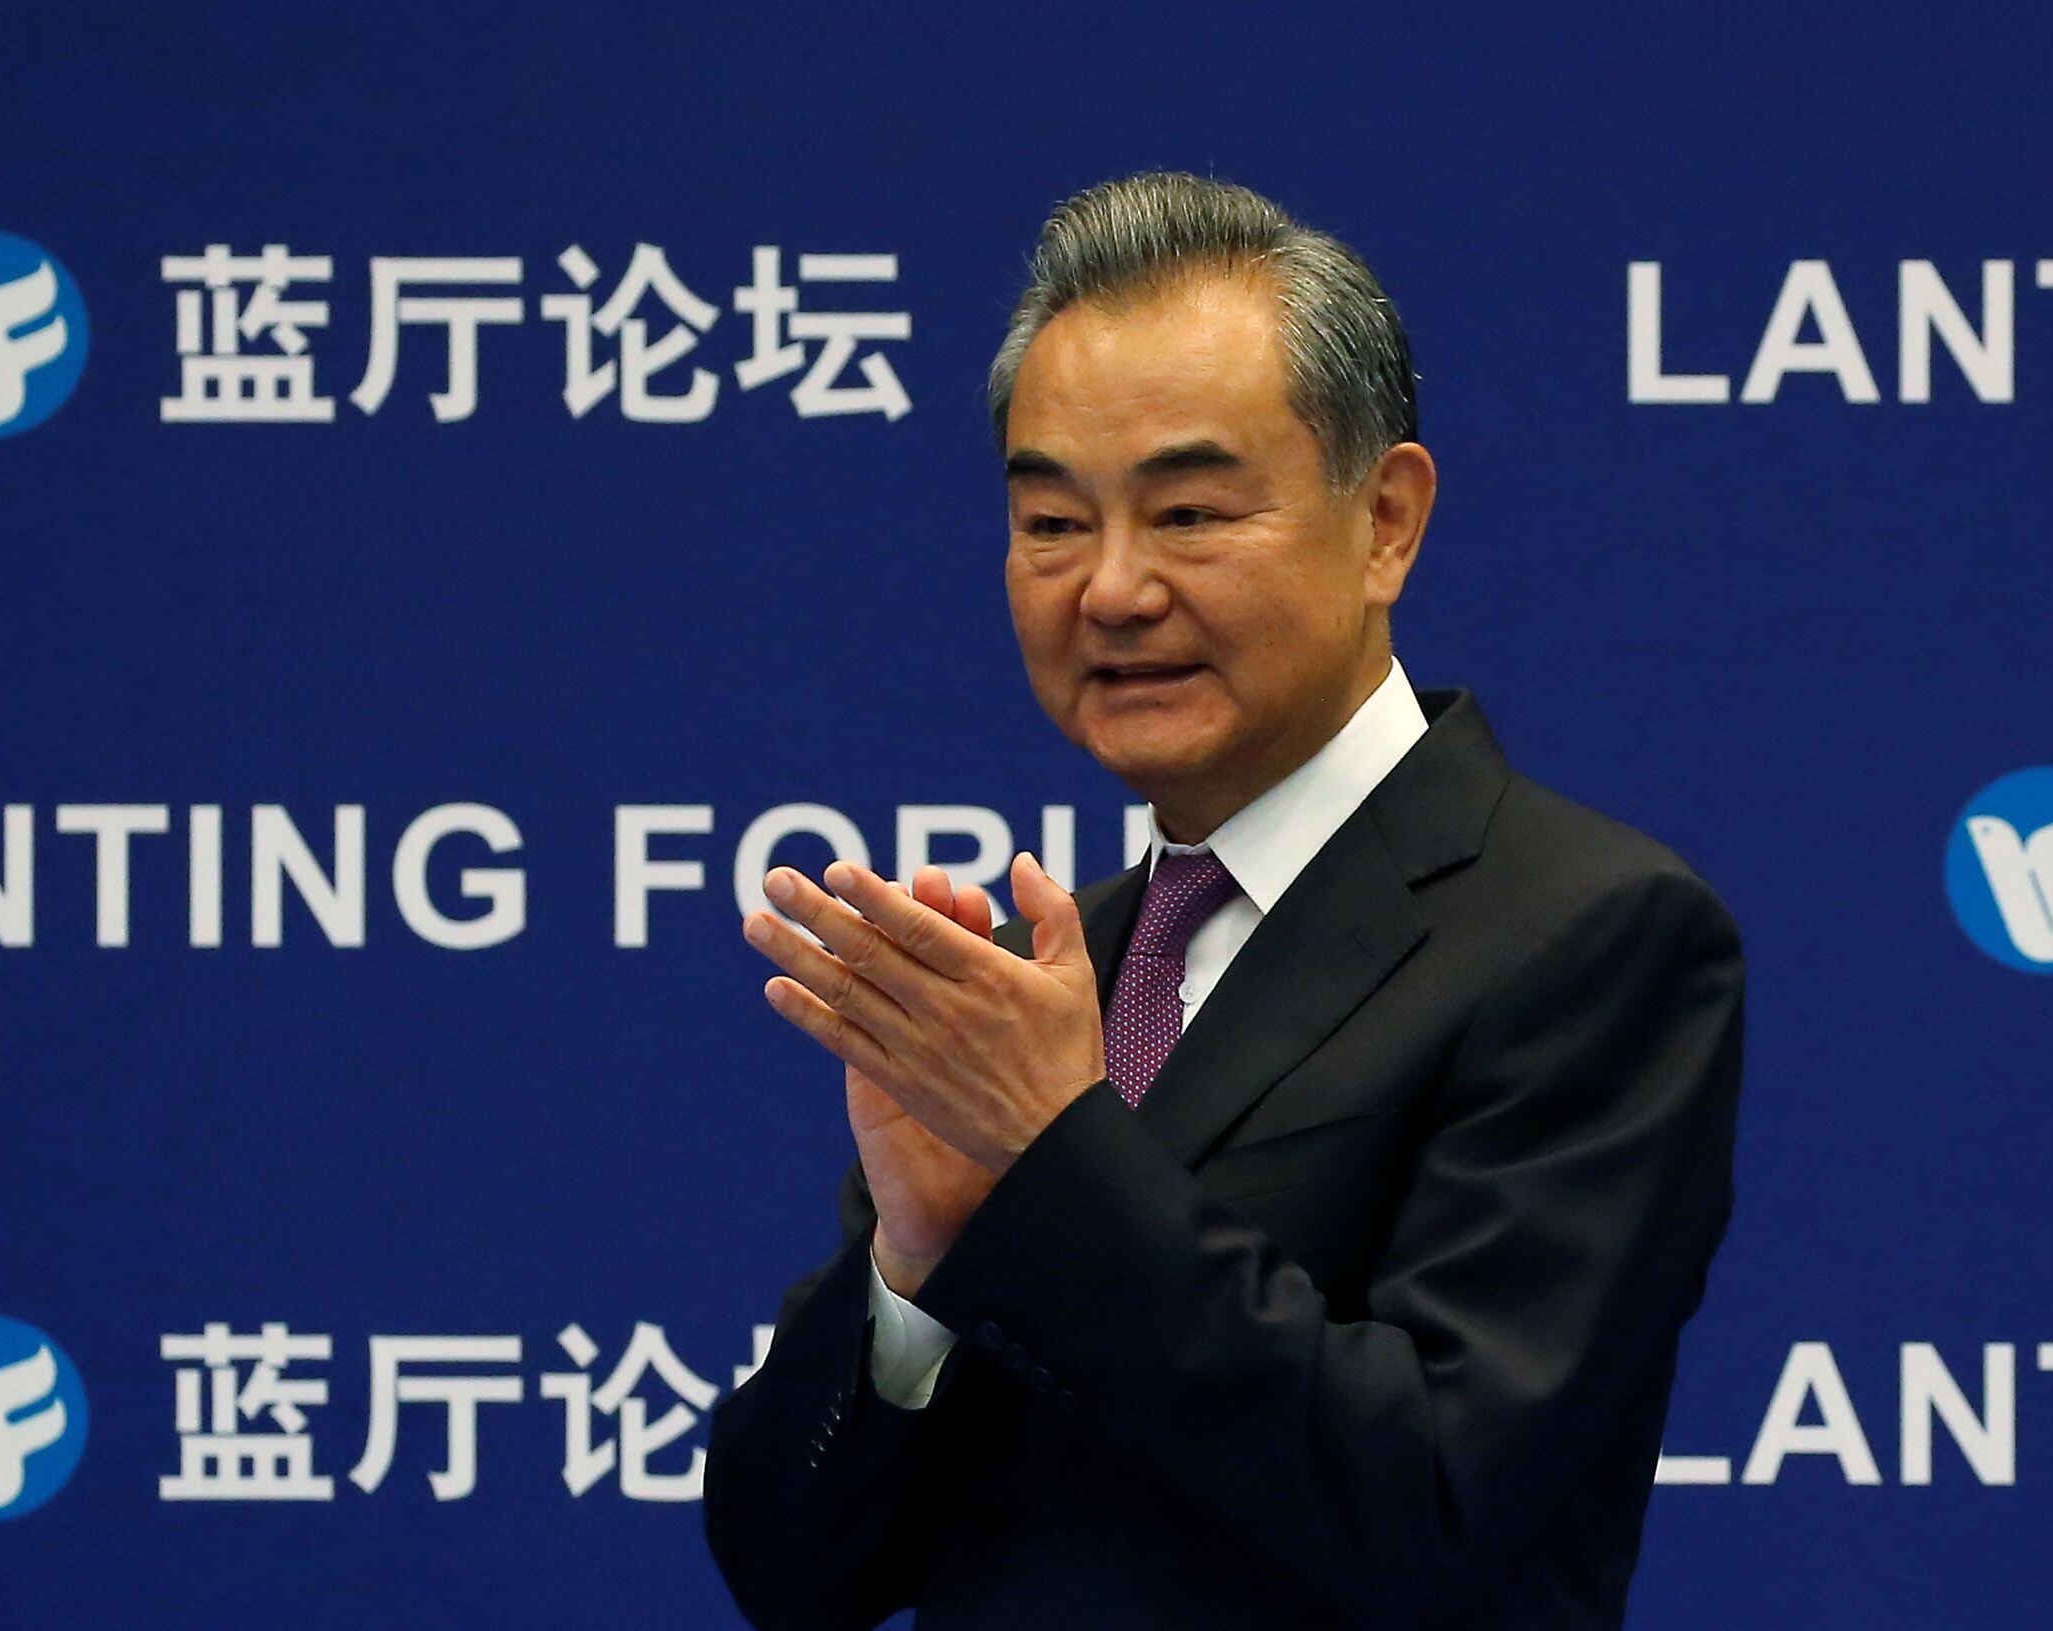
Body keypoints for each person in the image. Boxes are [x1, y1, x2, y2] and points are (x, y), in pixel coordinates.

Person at [704, 171, 1745, 1631]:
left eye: (1187, 511)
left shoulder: (1589, 933)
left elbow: (1442, 1510)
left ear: (1384, 519)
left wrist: (1055, 1161)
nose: (1112, 589)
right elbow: (788, 1571)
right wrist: (913, 1270)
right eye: (1053, 522)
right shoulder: (1044, 979)